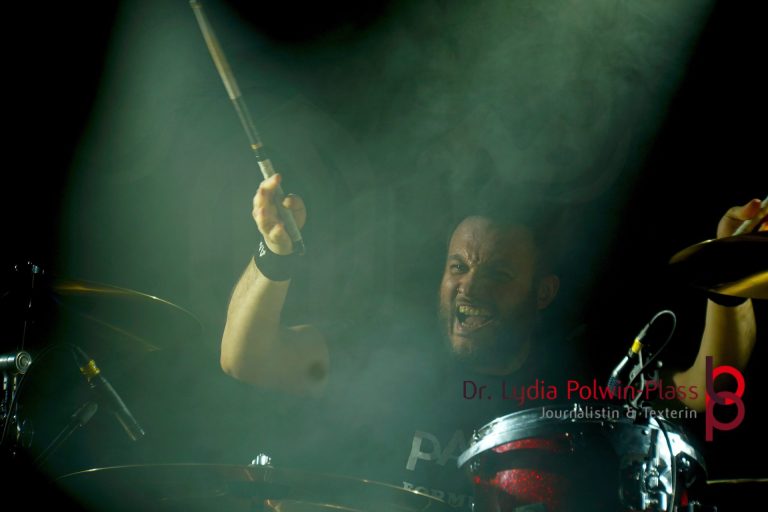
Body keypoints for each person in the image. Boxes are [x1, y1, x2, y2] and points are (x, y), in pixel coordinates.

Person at [220, 173, 760, 506]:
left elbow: (707, 393)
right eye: (458, 266)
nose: (470, 287)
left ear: (542, 292)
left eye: (499, 274)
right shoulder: (392, 357)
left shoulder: (575, 376)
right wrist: (275, 254)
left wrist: (729, 277)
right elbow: (245, 358)